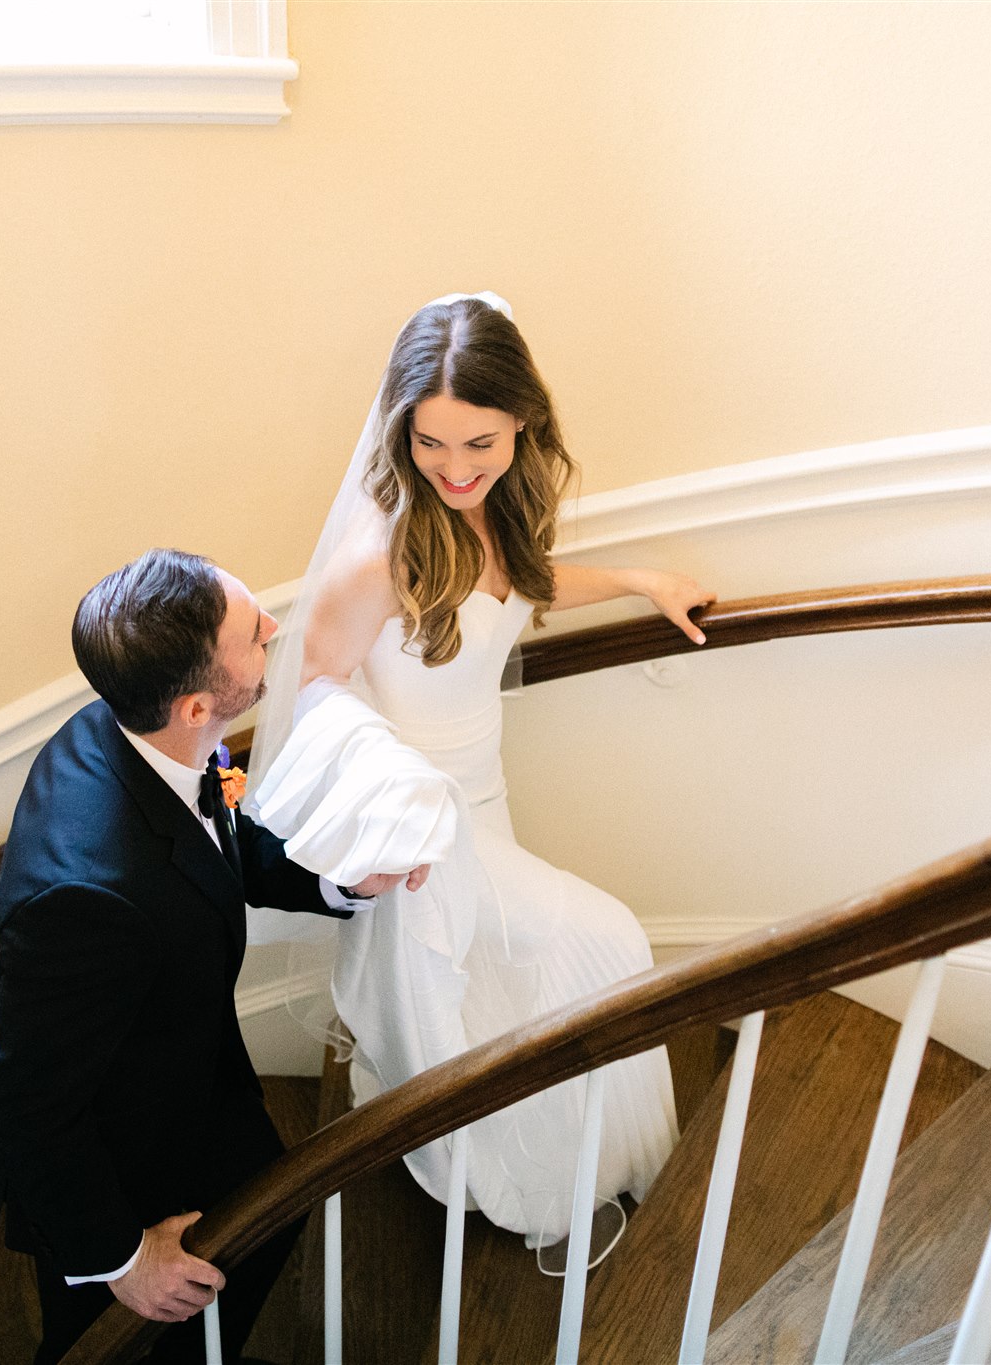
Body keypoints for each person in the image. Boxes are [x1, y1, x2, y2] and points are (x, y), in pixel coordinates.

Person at [246, 293, 716, 1267]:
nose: (456, 469)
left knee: (496, 980)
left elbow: (524, 582)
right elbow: (315, 690)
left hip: (485, 795)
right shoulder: (376, 556)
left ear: (521, 425)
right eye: (431, 445)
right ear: (400, 429)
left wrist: (639, 582)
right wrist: (394, 795)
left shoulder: (495, 511)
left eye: (480, 443)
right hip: (424, 822)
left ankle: (548, 1130)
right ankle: (492, 1153)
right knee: (606, 943)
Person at [0, 548, 424, 1365]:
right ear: (194, 704)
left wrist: (343, 884)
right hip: (120, 1164)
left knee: (266, 1225)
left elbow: (225, 832)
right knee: (122, 1348)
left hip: (194, 1082)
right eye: (256, 635)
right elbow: (30, 1120)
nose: (276, 630)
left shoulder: (149, 729)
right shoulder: (85, 904)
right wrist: (121, 1255)